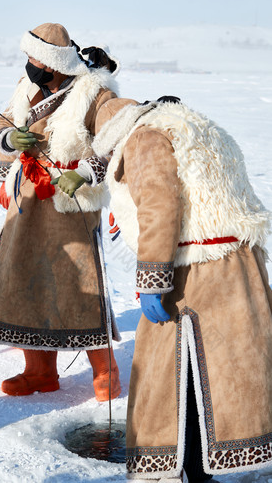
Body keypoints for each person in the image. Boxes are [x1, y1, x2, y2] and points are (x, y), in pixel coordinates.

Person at [58, 96, 272, 481]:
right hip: (237, 262)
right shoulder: (184, 123)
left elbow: (160, 205)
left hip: (199, 272)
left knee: (177, 376)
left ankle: (186, 469)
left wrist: (153, 278)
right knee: (220, 374)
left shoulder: (144, 139)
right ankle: (201, 466)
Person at [0, 22, 122, 402]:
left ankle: (106, 373)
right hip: (27, 199)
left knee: (79, 285)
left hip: (69, 203)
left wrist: (84, 172)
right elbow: (3, 122)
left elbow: (116, 136)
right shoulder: (26, 86)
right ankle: (40, 371)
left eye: (35, 58)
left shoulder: (93, 94)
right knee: (23, 280)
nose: (29, 64)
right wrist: (10, 139)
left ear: (53, 62)